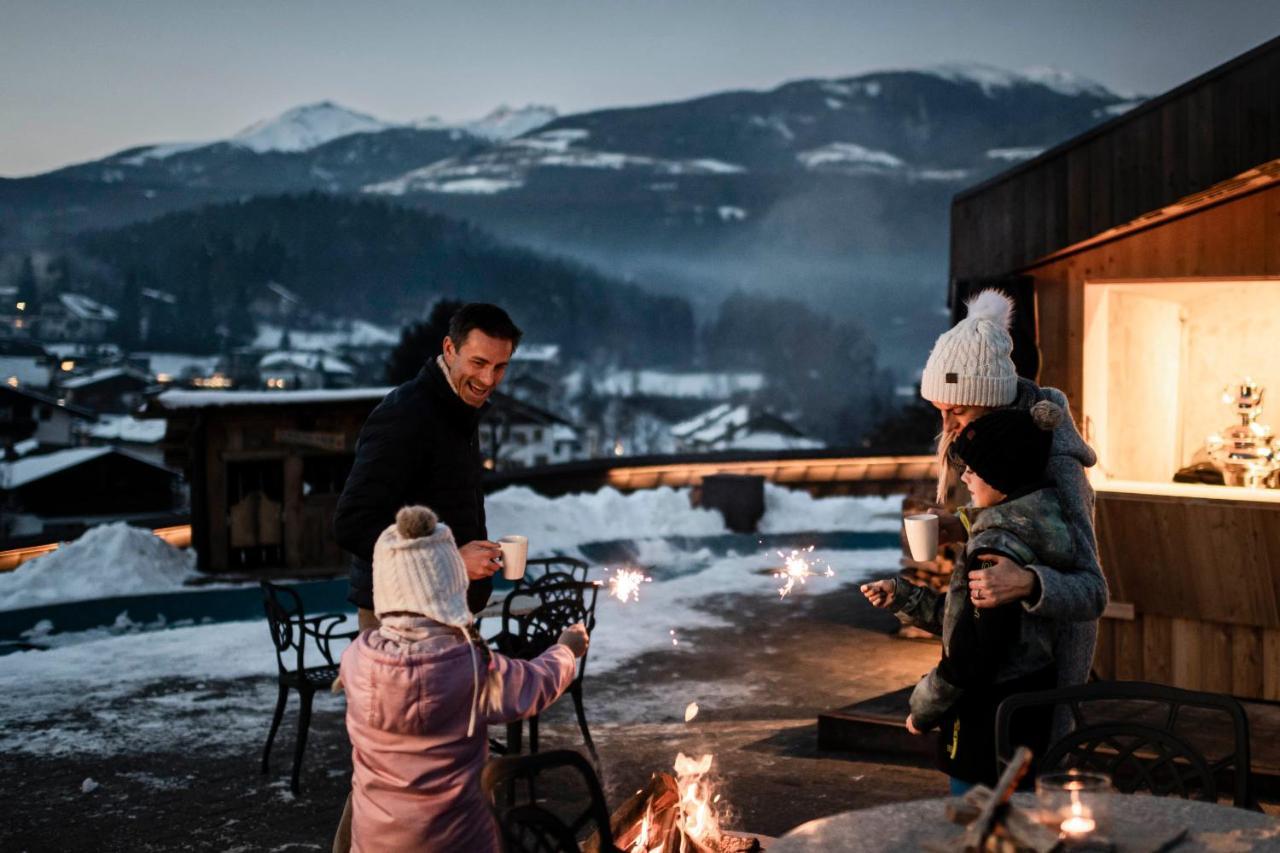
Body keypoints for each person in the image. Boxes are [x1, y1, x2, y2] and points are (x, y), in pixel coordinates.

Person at [332, 302, 522, 851]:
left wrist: (466, 557)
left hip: (447, 615)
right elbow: (353, 522)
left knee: (429, 771)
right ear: (448, 349)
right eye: (479, 362)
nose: (488, 379)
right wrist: (449, 561)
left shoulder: (456, 411)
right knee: (395, 773)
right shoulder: (408, 413)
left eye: (501, 367)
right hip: (401, 622)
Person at [341, 505, 587, 853]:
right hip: (457, 842)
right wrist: (565, 650)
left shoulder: (358, 658)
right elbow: (534, 683)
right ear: (450, 585)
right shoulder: (468, 667)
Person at [863, 404, 1071, 791]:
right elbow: (969, 622)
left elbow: (973, 657)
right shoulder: (1037, 526)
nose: (965, 475)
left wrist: (923, 707)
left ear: (1002, 474)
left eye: (974, 468)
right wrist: (905, 599)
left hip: (988, 721)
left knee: (979, 822)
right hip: (1026, 708)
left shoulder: (994, 549)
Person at [914, 289, 1107, 698]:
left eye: (958, 412)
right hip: (990, 670)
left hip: (1041, 683)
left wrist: (1028, 582)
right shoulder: (987, 442)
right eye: (939, 409)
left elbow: (1092, 592)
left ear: (992, 402)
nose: (946, 426)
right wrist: (962, 523)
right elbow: (1020, 523)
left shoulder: (1057, 463)